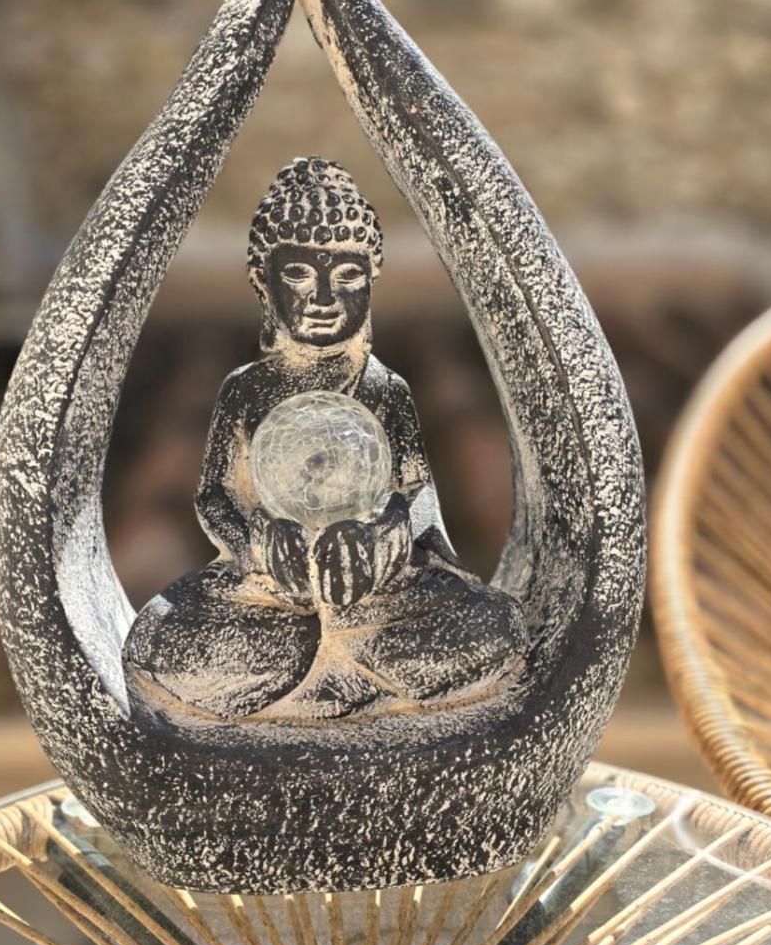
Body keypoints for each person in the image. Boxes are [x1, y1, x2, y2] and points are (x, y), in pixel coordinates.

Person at [123, 157, 526, 722]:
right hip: (271, 594)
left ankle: (322, 674)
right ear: (263, 280)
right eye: (297, 274)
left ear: (371, 281)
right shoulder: (246, 390)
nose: (322, 297)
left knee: (496, 625)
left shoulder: (384, 388)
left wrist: (387, 532)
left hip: (372, 590)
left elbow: (416, 493)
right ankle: (349, 675)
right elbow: (214, 496)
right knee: (158, 634)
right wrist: (255, 542)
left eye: (347, 276)